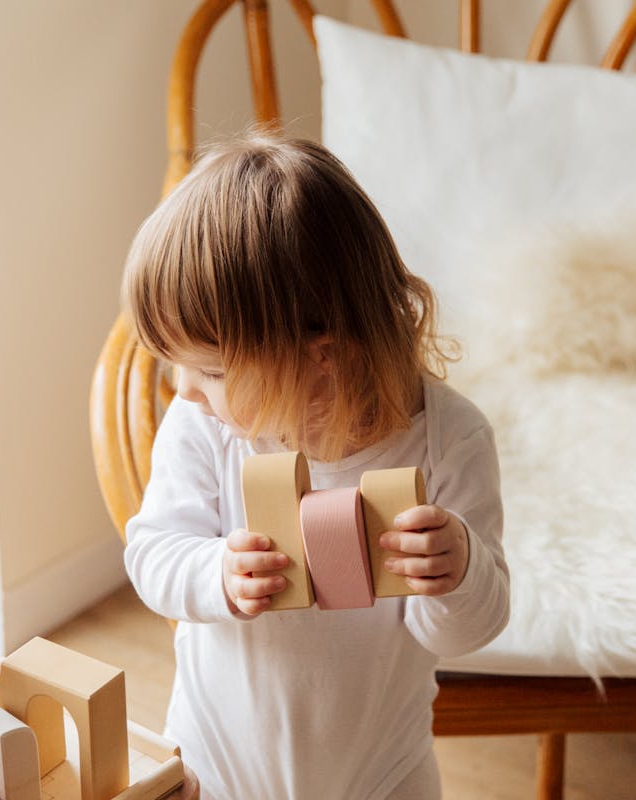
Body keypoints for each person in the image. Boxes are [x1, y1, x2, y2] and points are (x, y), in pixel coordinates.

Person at [121, 132, 510, 800]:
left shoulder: (450, 441)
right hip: (217, 764)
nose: (184, 389)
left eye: (212, 369)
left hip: (381, 774)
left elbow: (470, 629)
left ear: (318, 354)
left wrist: (457, 572)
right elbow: (152, 555)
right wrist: (215, 572)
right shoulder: (207, 429)